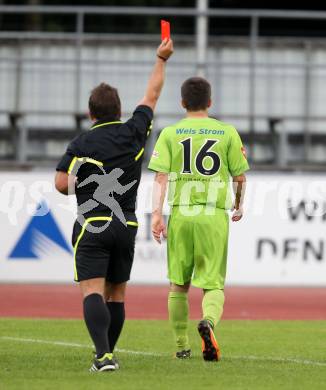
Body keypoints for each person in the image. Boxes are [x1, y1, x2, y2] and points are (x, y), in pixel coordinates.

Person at [55, 38, 174, 372]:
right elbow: (151, 95)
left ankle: (103, 355)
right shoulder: (134, 131)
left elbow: (61, 183)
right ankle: (106, 355)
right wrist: (161, 59)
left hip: (92, 223)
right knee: (117, 295)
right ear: (119, 111)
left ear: (90, 113)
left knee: (92, 291)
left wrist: (85, 181)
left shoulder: (82, 141)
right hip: (126, 224)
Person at [148, 76, 249, 361]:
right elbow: (239, 177)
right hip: (213, 215)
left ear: (182, 103)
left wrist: (156, 214)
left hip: (181, 213)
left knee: (178, 284)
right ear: (210, 102)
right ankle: (208, 322)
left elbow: (161, 176)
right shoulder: (227, 132)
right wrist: (238, 205)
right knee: (213, 284)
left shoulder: (170, 133)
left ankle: (181, 346)